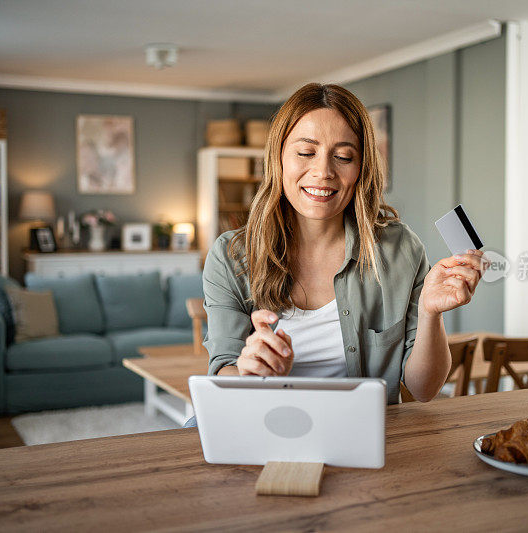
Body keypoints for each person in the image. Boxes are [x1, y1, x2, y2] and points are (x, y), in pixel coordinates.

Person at [183, 83, 484, 428]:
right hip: (262, 424)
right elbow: (224, 370)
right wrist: (247, 372)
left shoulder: (400, 249)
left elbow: (425, 389)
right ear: (278, 157)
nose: (323, 171)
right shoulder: (231, 255)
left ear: (361, 169)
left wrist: (431, 313)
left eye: (343, 156)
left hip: (363, 432)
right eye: (306, 152)